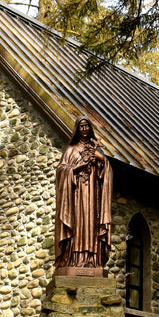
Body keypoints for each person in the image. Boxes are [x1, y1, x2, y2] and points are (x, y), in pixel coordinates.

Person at [54, 116, 113, 271]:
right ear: (77, 129)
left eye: (87, 126)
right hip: (76, 195)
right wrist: (75, 168)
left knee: (91, 223)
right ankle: (74, 260)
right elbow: (61, 171)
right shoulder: (71, 150)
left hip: (93, 194)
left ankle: (92, 260)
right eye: (81, 126)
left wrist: (102, 159)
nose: (84, 129)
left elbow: (106, 172)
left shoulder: (96, 149)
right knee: (78, 224)